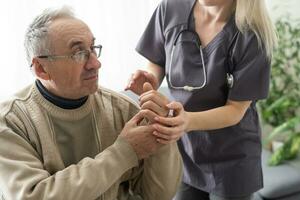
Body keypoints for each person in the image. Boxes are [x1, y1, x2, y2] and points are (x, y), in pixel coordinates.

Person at [0, 6, 183, 200]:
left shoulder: (122, 109)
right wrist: (123, 152)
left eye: (93, 49)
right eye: (78, 53)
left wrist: (163, 131)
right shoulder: (11, 121)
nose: (95, 63)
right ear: (41, 68)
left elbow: (158, 195)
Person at [126, 0, 277, 200]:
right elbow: (158, 61)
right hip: (185, 152)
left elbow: (235, 110)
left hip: (232, 160)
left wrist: (187, 121)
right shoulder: (171, 8)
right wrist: (151, 78)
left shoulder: (253, 34)